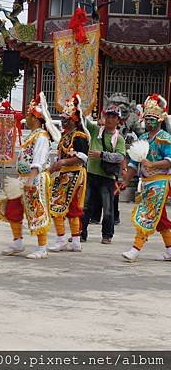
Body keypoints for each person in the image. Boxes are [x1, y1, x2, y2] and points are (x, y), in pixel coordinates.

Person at [0, 92, 60, 259]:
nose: (26, 118)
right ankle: (17, 242)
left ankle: (42, 248)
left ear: (36, 118)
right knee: (13, 208)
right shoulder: (32, 135)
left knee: (36, 210)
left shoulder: (42, 137)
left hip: (35, 178)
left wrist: (31, 179)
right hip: (23, 178)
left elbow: (38, 160)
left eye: (29, 115)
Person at [121, 94, 171, 262]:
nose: (148, 122)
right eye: (147, 119)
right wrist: (126, 181)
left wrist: (152, 165)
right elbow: (134, 164)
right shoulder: (142, 138)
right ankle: (170, 250)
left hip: (160, 181)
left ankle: (136, 249)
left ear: (160, 120)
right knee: (161, 219)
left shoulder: (165, 138)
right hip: (146, 183)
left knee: (147, 215)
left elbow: (169, 161)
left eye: (152, 119)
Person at [47, 94, 90, 253]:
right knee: (71, 208)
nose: (64, 121)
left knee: (56, 205)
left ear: (74, 120)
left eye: (67, 119)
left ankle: (61, 239)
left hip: (74, 174)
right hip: (65, 174)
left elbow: (82, 157)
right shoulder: (65, 135)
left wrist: (63, 162)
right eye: (63, 118)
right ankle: (76, 241)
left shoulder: (80, 136)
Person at [81, 104, 126, 244]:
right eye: (108, 116)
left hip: (107, 177)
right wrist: (80, 106)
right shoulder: (95, 131)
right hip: (91, 173)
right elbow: (83, 121)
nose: (110, 120)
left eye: (113, 117)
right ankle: (81, 233)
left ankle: (107, 235)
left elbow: (120, 156)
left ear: (118, 120)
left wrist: (101, 155)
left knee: (107, 208)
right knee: (86, 206)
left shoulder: (119, 138)